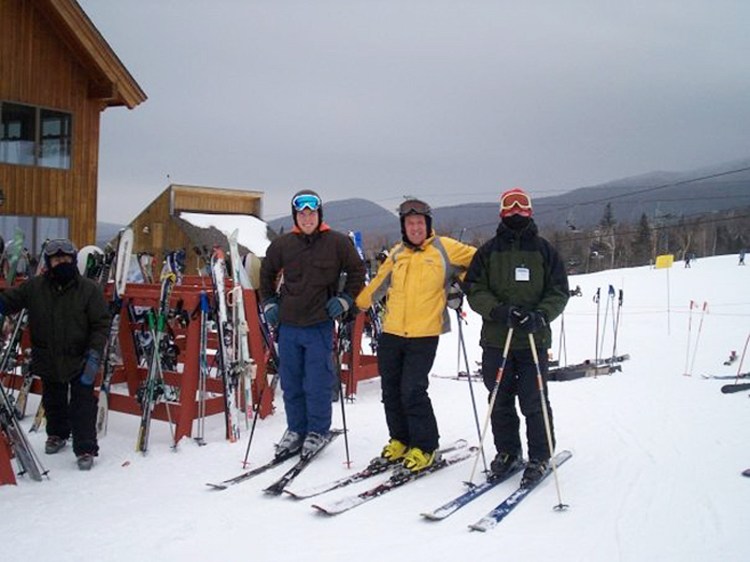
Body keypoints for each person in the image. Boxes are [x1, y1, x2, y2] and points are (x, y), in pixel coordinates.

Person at [356, 199, 476, 474]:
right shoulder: (398, 253)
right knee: (391, 391)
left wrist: (460, 283)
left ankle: (425, 446)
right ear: (403, 227)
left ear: (428, 225)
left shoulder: (444, 248)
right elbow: (377, 284)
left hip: (424, 334)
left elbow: (477, 260)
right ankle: (400, 439)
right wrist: (357, 305)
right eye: (410, 224)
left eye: (420, 223)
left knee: (412, 389)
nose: (415, 228)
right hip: (392, 332)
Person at [464, 187, 569, 486]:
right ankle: (508, 451)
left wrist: (541, 315)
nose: (515, 211)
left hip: (533, 340)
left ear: (530, 211)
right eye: (509, 207)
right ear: (501, 212)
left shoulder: (545, 251)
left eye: (521, 206)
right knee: (499, 399)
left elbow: (559, 291)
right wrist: (498, 311)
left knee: (534, 400)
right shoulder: (487, 252)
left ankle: (540, 455)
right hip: (498, 340)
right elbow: (474, 289)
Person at [260, 190, 365, 459]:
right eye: (302, 214)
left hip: (319, 324)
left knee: (317, 382)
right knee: (291, 382)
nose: (307, 218)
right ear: (296, 216)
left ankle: (317, 429)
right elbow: (266, 273)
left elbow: (357, 272)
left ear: (320, 215)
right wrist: (270, 303)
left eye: (312, 213)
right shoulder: (283, 244)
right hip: (289, 325)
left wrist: (344, 300)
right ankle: (296, 429)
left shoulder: (337, 243)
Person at [0, 238, 110, 470]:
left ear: (73, 259)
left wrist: (94, 353)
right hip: (47, 355)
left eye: (66, 258)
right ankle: (58, 434)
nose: (61, 263)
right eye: (56, 259)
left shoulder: (89, 290)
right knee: (53, 399)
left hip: (81, 356)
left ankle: (86, 447)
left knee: (83, 403)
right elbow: (10, 301)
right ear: (49, 262)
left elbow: (101, 324)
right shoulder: (35, 287)